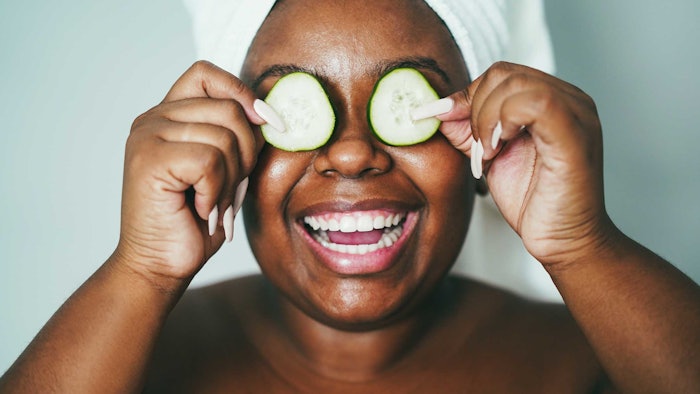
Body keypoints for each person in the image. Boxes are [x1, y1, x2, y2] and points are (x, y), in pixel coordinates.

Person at [2, 0, 699, 392]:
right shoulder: (135, 364)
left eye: (409, 100)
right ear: (228, 146)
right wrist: (142, 270)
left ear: (487, 139)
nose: (352, 151)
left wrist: (582, 247)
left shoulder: (583, 366)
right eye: (298, 111)